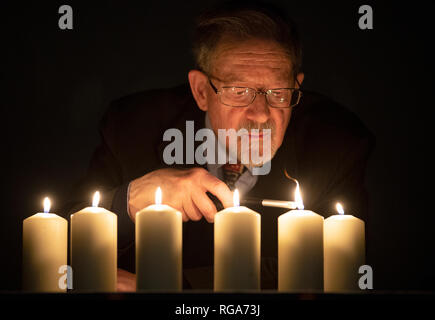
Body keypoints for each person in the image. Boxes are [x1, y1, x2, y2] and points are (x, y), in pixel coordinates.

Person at [64, 3, 374, 291]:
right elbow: (58, 247)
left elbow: (344, 276)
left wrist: (175, 290)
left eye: (278, 92)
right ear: (201, 91)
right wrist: (128, 199)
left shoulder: (337, 145)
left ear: (296, 86)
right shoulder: (131, 127)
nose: (261, 114)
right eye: (239, 91)